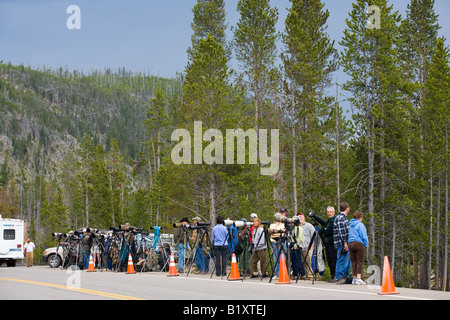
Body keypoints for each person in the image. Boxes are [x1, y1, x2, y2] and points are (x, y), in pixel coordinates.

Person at [334, 202, 351, 284]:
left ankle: (345, 275)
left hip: (344, 242)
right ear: (347, 208)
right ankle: (339, 277)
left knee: (346, 260)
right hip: (341, 243)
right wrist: (345, 243)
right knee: (341, 259)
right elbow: (342, 232)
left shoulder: (343, 218)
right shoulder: (340, 218)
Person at [349, 211, 368, 285]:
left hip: (350, 243)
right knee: (360, 261)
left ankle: (354, 277)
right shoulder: (360, 225)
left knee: (353, 261)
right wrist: (365, 244)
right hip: (359, 243)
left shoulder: (350, 225)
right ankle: (359, 277)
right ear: (360, 217)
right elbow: (363, 235)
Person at [321, 206, 338, 282]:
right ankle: (332, 275)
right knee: (329, 260)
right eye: (328, 212)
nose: (329, 213)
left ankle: (335, 275)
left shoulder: (334, 220)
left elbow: (329, 231)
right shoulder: (328, 221)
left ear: (333, 212)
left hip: (332, 242)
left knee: (333, 259)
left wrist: (325, 231)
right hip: (327, 243)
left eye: (330, 212)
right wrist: (324, 230)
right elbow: (322, 229)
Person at [269, 209, 286, 279]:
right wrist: (277, 230)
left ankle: (283, 272)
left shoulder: (284, 224)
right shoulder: (272, 225)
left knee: (282, 257)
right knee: (275, 258)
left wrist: (276, 232)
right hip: (273, 242)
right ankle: (277, 274)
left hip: (281, 241)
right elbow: (271, 232)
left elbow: (283, 232)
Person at [298, 212, 315, 280]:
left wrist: (312, 247)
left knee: (309, 263)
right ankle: (304, 275)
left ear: (304, 217)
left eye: (301, 217)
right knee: (302, 263)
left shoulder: (309, 226)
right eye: (298, 217)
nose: (300, 218)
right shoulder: (297, 227)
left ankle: (310, 276)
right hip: (300, 248)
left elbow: (314, 236)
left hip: (308, 247)